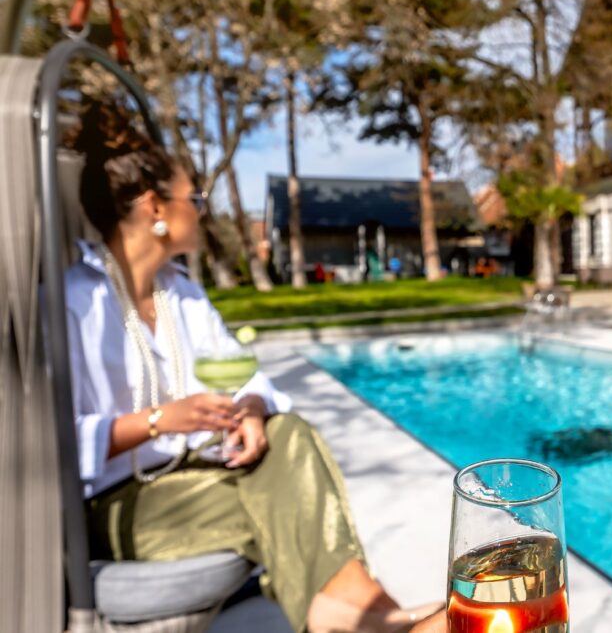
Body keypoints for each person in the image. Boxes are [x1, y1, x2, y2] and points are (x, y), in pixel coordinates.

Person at [67, 103, 446, 633]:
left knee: (287, 431)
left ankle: (360, 608)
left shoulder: (181, 294)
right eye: (194, 199)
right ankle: (357, 615)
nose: (201, 211)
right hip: (120, 507)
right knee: (279, 506)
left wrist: (250, 406)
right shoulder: (74, 303)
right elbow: (50, 443)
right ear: (155, 207)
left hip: (196, 470)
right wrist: (158, 421)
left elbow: (244, 373)